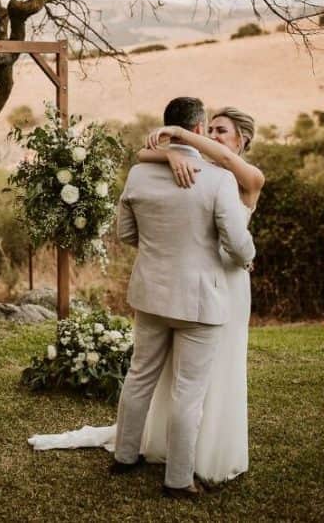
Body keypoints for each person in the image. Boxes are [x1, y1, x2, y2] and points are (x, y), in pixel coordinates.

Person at [28, 98, 258, 499]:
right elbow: (238, 245)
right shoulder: (219, 180)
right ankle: (178, 480)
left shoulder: (138, 175)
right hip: (202, 300)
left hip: (151, 293)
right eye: (209, 128)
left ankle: (125, 455)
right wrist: (247, 258)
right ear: (198, 129)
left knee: (139, 376)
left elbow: (126, 234)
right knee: (188, 391)